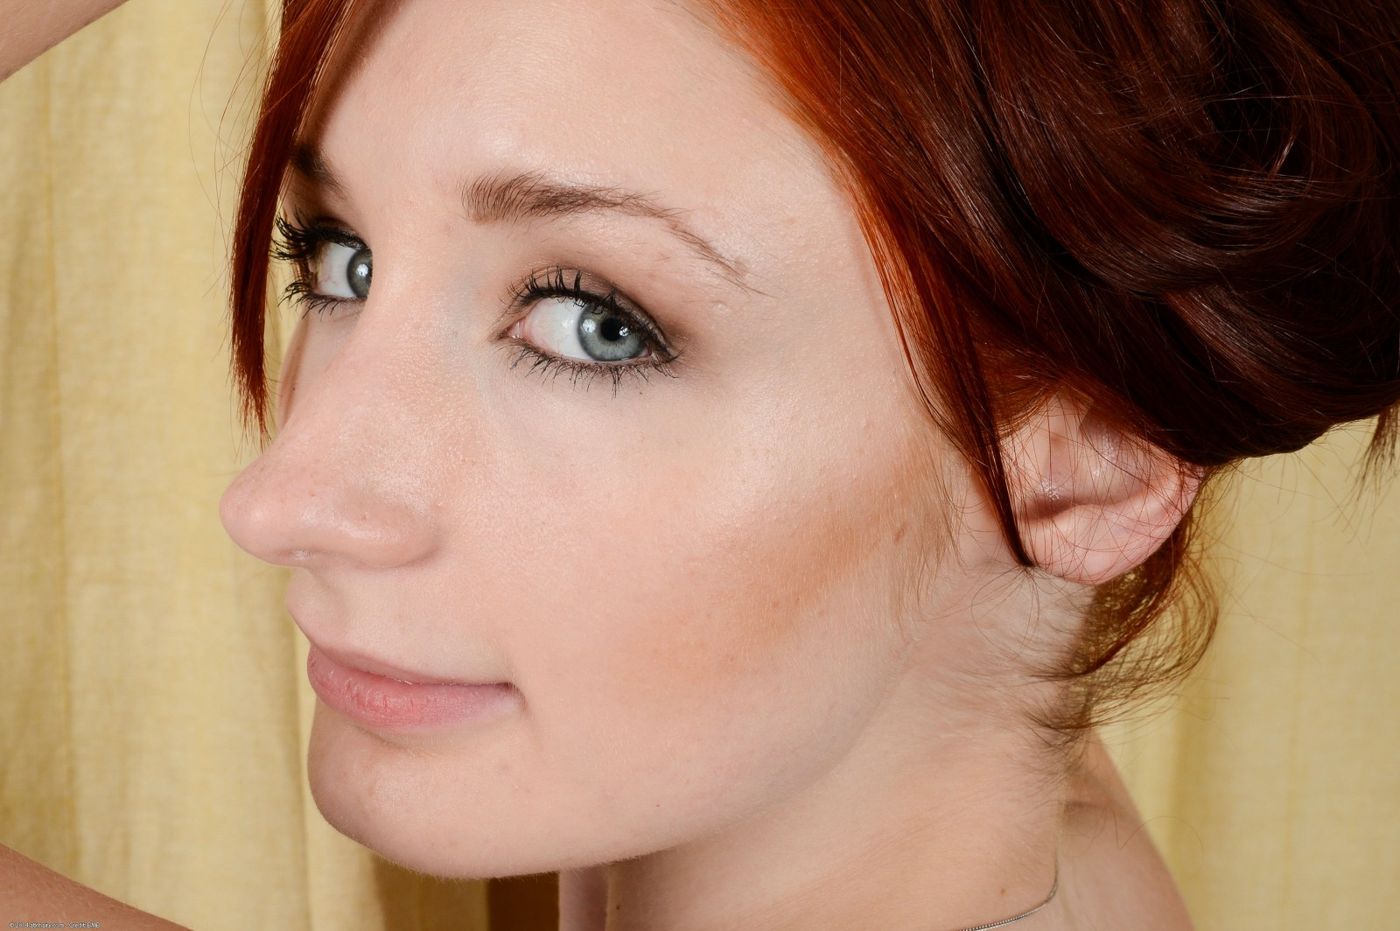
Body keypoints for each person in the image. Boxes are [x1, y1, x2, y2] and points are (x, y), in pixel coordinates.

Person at [3, 1, 1397, 928]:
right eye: (340, 258)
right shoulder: (1012, 805)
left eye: (595, 325)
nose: (285, 498)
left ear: (1091, 471)